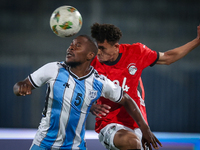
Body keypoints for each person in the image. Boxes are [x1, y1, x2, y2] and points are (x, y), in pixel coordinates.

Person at [13, 35, 161, 150]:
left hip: (74, 146)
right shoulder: (53, 69)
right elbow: (22, 84)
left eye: (77, 46)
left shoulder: (98, 81)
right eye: (70, 45)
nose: (70, 48)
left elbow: (127, 99)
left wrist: (144, 129)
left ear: (90, 55)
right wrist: (20, 87)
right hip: (43, 143)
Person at [90, 23, 200, 150]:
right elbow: (77, 89)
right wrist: (91, 106)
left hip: (137, 125)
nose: (98, 52)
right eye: (97, 47)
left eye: (103, 48)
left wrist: (197, 41)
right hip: (109, 124)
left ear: (116, 47)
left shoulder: (136, 52)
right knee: (132, 143)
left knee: (134, 142)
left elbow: (169, 58)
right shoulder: (92, 63)